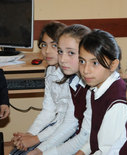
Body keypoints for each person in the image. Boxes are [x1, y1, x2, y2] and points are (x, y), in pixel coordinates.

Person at [27, 24, 91, 155]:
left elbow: (73, 127)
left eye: (71, 53)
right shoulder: (68, 78)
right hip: (70, 133)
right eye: (60, 51)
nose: (62, 59)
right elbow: (50, 111)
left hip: (79, 138)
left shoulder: (83, 83)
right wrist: (31, 134)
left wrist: (40, 147)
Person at [10, 21, 72, 155]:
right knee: (16, 152)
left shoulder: (72, 76)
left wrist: (35, 139)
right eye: (44, 45)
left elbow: (66, 122)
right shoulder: (50, 71)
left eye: (54, 45)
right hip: (56, 125)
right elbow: (48, 110)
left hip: (69, 131)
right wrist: (29, 134)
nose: (47, 51)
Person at [76, 29, 127, 155]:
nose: (85, 70)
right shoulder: (97, 88)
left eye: (95, 63)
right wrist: (81, 152)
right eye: (82, 61)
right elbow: (96, 137)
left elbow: (107, 151)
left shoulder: (117, 103)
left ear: (113, 64)